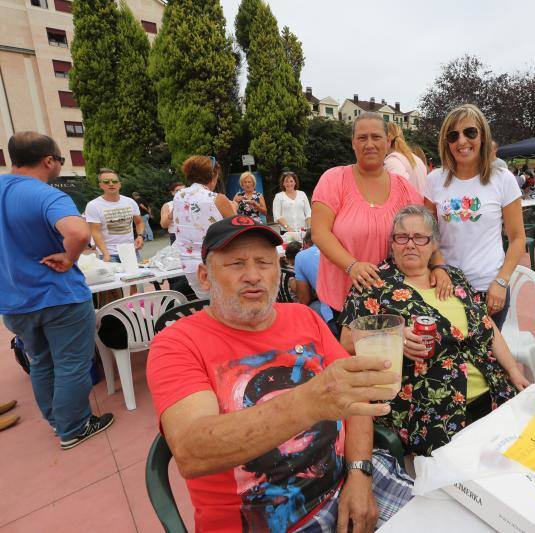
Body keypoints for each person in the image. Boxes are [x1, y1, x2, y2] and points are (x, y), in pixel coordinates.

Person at [146, 216, 412, 532]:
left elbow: (354, 401)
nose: (253, 276)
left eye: (264, 262)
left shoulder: (304, 317)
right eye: (236, 264)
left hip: (348, 482)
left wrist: (359, 473)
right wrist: (310, 402)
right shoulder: (177, 344)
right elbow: (191, 451)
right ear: (204, 277)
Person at [340, 206, 529, 456]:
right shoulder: (373, 284)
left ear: (433, 246)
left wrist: (514, 371)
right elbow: (345, 341)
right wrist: (393, 337)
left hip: (494, 392)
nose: (410, 244)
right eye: (402, 237)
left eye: (420, 238)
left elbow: (487, 324)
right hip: (432, 411)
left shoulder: (454, 279)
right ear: (392, 244)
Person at [0, 131, 113, 449]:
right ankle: (75, 427)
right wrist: (69, 256)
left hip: (14, 301)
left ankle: (57, 421)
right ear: (49, 161)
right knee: (71, 363)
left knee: (40, 361)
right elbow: (77, 232)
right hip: (58, 296)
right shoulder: (45, 194)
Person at [312, 111, 448, 323]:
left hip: (392, 301)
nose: (369, 144)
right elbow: (320, 233)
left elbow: (426, 235)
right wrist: (352, 266)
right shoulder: (334, 180)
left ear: (388, 142)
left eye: (376, 137)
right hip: (343, 299)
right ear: (353, 143)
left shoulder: (405, 190)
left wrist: (439, 267)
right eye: (362, 138)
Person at [424, 104, 525, 331]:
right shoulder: (434, 180)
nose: (462, 141)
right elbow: (428, 235)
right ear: (446, 142)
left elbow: (518, 238)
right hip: (445, 287)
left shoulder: (502, 179)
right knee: (452, 361)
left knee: (487, 360)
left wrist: (501, 282)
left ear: (482, 135)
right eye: (453, 135)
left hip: (489, 289)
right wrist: (439, 267)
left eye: (470, 132)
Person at [173, 155, 236, 299]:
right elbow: (238, 228)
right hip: (216, 264)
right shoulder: (217, 198)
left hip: (189, 266)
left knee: (207, 304)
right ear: (213, 174)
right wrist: (233, 208)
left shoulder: (178, 196)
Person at [84, 168, 144, 262]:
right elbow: (95, 232)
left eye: (114, 181)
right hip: (109, 254)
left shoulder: (130, 202)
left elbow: (139, 222)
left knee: (138, 276)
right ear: (101, 185)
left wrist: (140, 236)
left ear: (119, 184)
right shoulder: (93, 205)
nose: (111, 184)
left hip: (131, 252)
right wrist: (105, 254)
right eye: (106, 181)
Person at [294, 229, 336, 332]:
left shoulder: (301, 256)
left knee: (311, 308)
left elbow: (304, 299)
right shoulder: (342, 248)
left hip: (333, 313)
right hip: (361, 304)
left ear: (305, 243)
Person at [385, 122, 428, 194]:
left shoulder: (392, 161)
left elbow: (399, 192)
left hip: (408, 205)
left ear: (387, 139)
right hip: (421, 204)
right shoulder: (417, 159)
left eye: (377, 137)